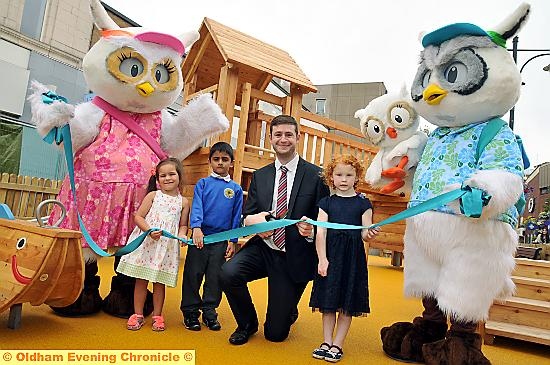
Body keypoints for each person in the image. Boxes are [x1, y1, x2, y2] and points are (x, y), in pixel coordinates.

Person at [220, 115, 330, 345]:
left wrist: (310, 231)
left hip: (294, 254)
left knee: (275, 335)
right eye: (278, 134)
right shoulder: (261, 176)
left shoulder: (316, 176)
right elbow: (247, 216)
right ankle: (247, 324)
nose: (283, 139)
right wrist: (254, 222)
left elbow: (324, 218)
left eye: (289, 134)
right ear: (270, 138)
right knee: (228, 274)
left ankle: (287, 310)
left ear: (297, 137)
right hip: (264, 248)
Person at [309, 155, 379, 362]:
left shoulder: (363, 203)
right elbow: (320, 232)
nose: (344, 179)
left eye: (349, 175)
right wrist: (322, 259)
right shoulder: (326, 203)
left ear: (357, 177)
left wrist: (370, 233)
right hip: (330, 257)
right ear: (331, 177)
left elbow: (364, 233)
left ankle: (338, 345)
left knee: (347, 302)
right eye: (339, 174)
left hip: (352, 259)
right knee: (328, 302)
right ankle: (326, 342)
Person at [116, 157, 190, 331]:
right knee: (141, 280)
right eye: (162, 175)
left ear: (179, 176)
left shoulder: (183, 202)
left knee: (159, 282)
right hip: (147, 244)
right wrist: (149, 230)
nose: (167, 178)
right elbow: (138, 216)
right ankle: (138, 314)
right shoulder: (153, 196)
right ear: (157, 179)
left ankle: (158, 315)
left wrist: (182, 236)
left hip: (166, 248)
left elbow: (183, 225)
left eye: (171, 174)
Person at [180, 142, 243, 331]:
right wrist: (196, 228)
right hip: (200, 238)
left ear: (231, 162)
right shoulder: (203, 184)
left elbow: (236, 216)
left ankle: (209, 311)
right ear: (210, 162)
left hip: (221, 241)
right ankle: (190, 312)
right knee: (193, 274)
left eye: (225, 159)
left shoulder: (236, 189)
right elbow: (196, 205)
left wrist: (232, 240)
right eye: (216, 159)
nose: (220, 163)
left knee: (215, 277)